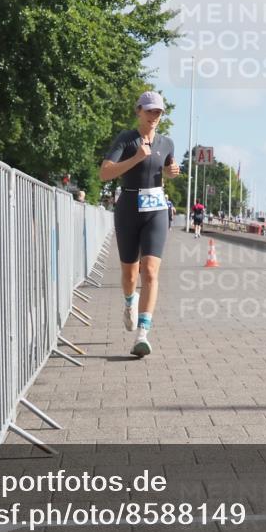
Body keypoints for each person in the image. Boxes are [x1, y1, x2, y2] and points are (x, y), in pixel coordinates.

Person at [100, 91, 180, 357]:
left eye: (158, 112)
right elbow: (104, 173)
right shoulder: (126, 138)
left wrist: (171, 172)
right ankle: (129, 301)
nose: (154, 116)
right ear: (138, 111)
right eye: (149, 111)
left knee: (150, 272)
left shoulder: (167, 143)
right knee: (130, 275)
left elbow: (166, 168)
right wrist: (135, 158)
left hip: (156, 209)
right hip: (129, 208)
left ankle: (143, 333)